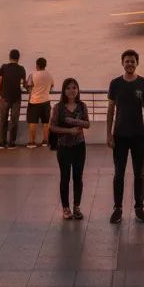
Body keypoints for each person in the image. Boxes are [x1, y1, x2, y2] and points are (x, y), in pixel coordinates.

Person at [106, 49, 144, 224]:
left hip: (139, 135)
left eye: (133, 61)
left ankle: (139, 208)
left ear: (137, 63)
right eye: (127, 61)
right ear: (122, 63)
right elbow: (111, 111)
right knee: (119, 173)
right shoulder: (115, 83)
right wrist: (109, 134)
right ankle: (117, 209)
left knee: (139, 173)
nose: (130, 64)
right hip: (120, 135)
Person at [49, 78, 90, 220]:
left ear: (77, 90)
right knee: (65, 177)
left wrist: (73, 121)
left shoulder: (82, 106)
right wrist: (69, 131)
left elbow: (87, 124)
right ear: (63, 91)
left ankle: (77, 207)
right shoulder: (58, 107)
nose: (71, 90)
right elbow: (52, 127)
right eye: (68, 88)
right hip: (63, 146)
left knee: (78, 177)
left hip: (79, 146)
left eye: (74, 87)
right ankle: (65, 208)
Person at [0, 49, 26, 149]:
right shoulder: (21, 68)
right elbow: (24, 83)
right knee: (14, 121)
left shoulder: (4, 67)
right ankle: (12, 142)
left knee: (3, 120)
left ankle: (2, 142)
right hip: (16, 98)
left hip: (4, 97)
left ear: (9, 57)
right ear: (18, 58)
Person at [26, 57, 54, 148]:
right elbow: (52, 86)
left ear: (37, 65)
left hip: (34, 101)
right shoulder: (49, 75)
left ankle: (32, 142)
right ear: (45, 65)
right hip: (46, 101)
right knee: (46, 122)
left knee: (33, 122)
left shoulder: (32, 74)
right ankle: (45, 141)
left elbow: (29, 87)